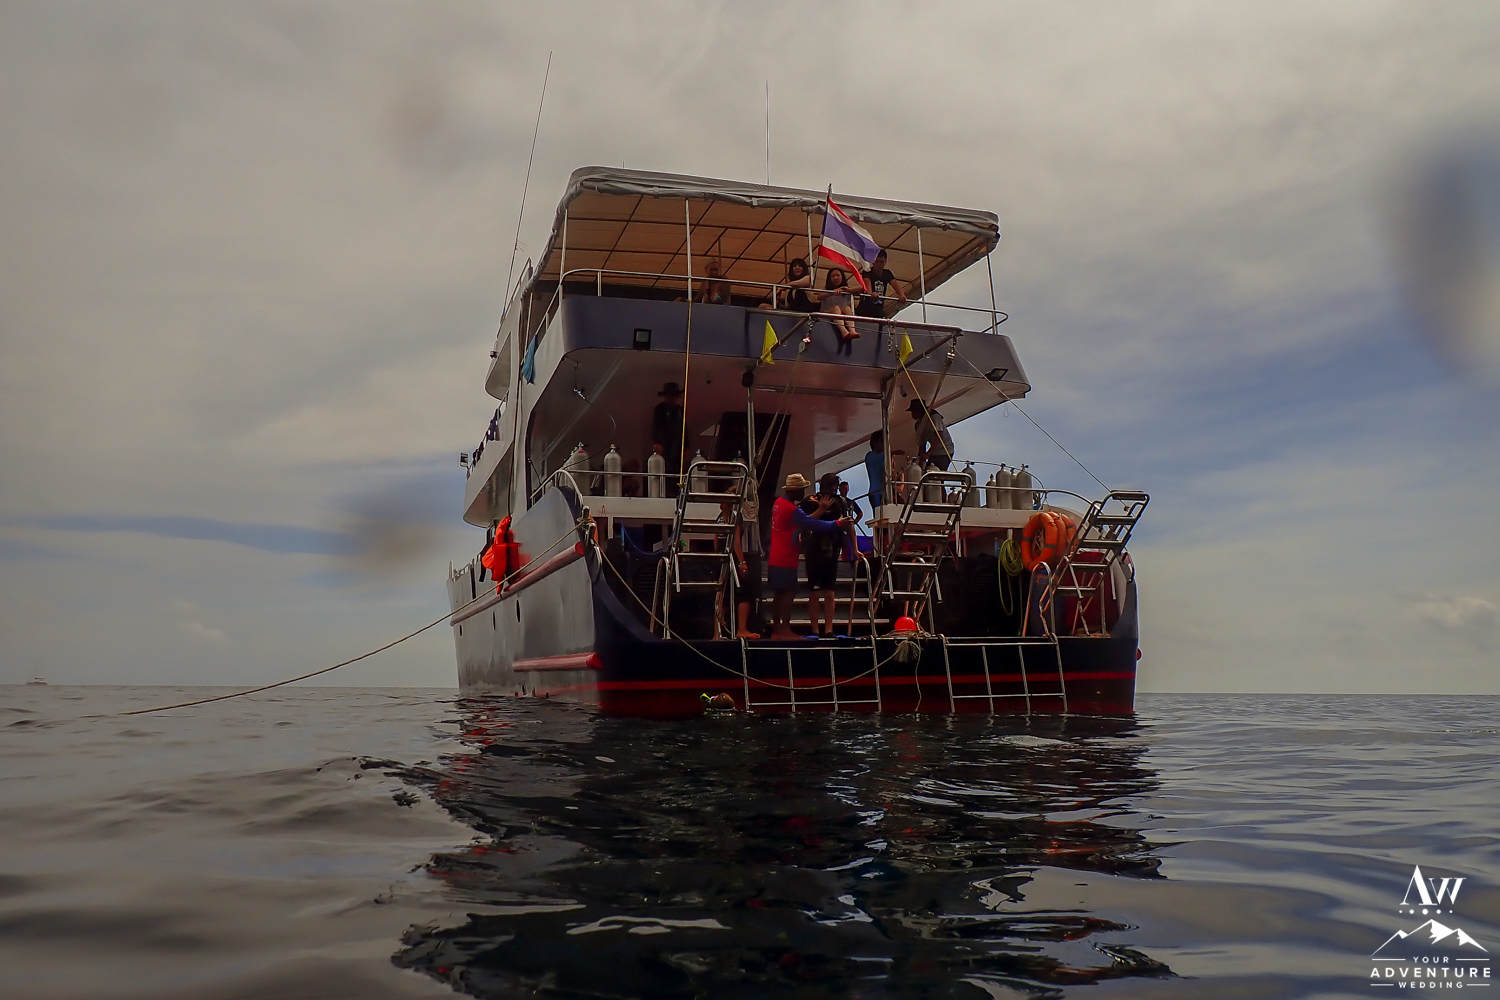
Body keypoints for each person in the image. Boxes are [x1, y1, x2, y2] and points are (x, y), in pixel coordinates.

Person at [768, 472, 849, 640]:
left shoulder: (779, 503)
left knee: (779, 594)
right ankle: (784, 629)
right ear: (795, 490)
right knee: (787, 594)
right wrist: (838, 523)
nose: (804, 492)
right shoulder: (792, 508)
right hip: (786, 556)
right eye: (802, 489)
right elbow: (811, 523)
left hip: (776, 554)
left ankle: (778, 629)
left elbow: (804, 522)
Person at [801, 473, 851, 637]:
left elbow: (848, 525)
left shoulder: (840, 502)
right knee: (814, 591)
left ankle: (829, 628)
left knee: (829, 592)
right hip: (813, 549)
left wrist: (853, 548)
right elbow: (805, 523)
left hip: (832, 549)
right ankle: (815, 629)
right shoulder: (810, 500)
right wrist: (821, 508)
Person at [651, 382, 686, 486]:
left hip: (677, 445)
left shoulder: (680, 410)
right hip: (664, 444)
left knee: (676, 468)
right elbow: (656, 426)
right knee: (664, 467)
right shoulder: (659, 409)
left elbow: (684, 429)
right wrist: (657, 442)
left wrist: (686, 445)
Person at [857, 249, 907, 318]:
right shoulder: (867, 272)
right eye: (876, 261)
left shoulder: (888, 273)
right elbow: (868, 289)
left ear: (885, 262)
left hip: (879, 311)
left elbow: (896, 286)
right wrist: (872, 294)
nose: (878, 264)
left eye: (881, 262)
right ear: (873, 261)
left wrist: (902, 295)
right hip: (864, 310)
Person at [815, 267, 859, 343]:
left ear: (842, 277)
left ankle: (852, 330)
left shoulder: (845, 291)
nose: (835, 278)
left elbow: (862, 289)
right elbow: (819, 297)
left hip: (841, 316)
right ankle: (844, 331)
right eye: (833, 276)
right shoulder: (826, 289)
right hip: (826, 316)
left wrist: (846, 290)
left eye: (838, 275)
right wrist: (832, 292)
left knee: (847, 308)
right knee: (836, 308)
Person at [909, 398, 954, 471]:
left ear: (919, 411)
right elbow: (922, 443)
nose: (911, 414)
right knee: (927, 473)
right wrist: (921, 460)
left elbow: (939, 436)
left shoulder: (934, 417)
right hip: (934, 452)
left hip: (945, 450)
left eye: (913, 412)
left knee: (937, 474)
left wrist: (928, 453)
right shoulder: (918, 425)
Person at [863, 431, 886, 509]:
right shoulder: (870, 456)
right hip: (876, 492)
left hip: (883, 492)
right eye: (882, 442)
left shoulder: (883, 456)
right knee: (879, 515)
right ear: (875, 443)